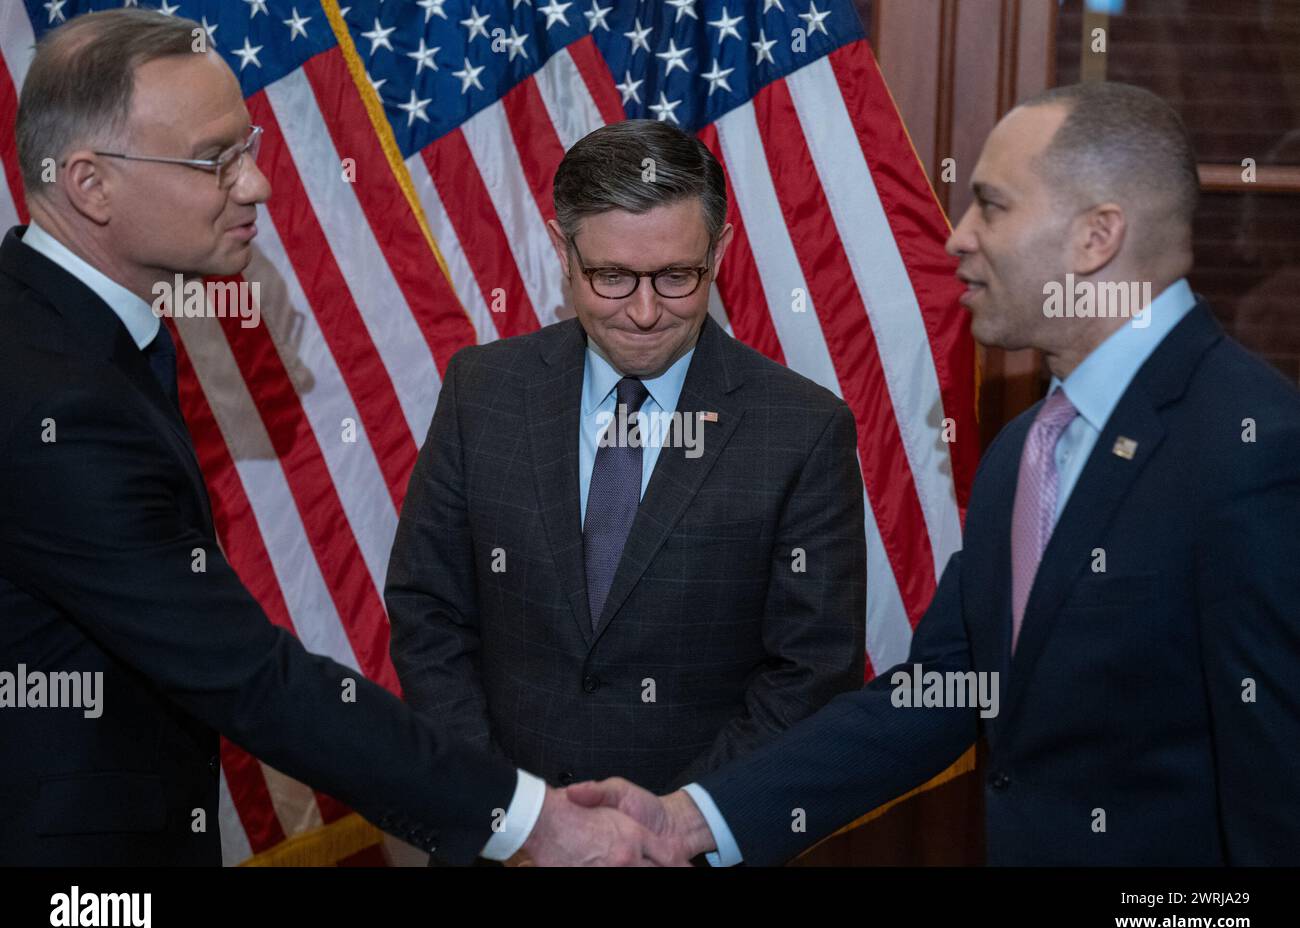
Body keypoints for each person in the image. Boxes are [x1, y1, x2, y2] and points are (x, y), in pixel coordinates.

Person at [0, 8, 671, 867]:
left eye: (248, 149)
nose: (257, 186)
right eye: (216, 161)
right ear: (89, 184)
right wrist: (538, 822)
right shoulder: (52, 400)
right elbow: (251, 680)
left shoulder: (70, 331)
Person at [567, 82, 1300, 866]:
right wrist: (688, 821)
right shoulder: (1026, 449)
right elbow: (938, 697)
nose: (958, 237)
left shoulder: (1251, 449)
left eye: (992, 205)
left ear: (1096, 238)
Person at [385, 119, 866, 824]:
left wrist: (669, 826)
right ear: (562, 249)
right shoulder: (481, 390)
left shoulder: (802, 429)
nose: (644, 313)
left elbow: (810, 675)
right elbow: (428, 610)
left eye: (677, 276)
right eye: (611, 277)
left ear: (720, 251)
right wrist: (509, 812)